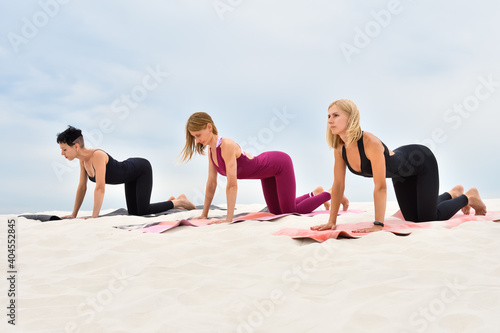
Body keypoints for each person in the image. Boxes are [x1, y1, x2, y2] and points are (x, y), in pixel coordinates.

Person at [312, 99, 487, 233]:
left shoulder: (369, 142)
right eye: (328, 116)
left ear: (350, 118)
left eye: (336, 115)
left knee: (428, 218)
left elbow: (380, 186)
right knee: (412, 218)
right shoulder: (340, 149)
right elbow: (338, 185)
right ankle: (451, 194)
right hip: (400, 175)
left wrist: (378, 225)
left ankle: (468, 197)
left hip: (421, 162)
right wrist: (331, 221)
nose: (330, 120)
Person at [179, 112, 332, 223]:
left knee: (289, 212)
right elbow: (211, 183)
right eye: (194, 137)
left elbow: (232, 185)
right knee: (276, 212)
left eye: (198, 135)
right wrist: (204, 214)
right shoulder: (211, 151)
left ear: (209, 127)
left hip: (279, 164)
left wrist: (228, 219)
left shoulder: (227, 145)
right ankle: (314, 193)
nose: (197, 140)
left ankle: (329, 193)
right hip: (266, 174)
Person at [57, 126, 195, 218]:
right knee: (134, 213)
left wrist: (94, 217)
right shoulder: (82, 161)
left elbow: (100, 188)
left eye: (64, 149)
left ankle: (179, 202)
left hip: (141, 169)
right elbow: (82, 187)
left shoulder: (97, 156)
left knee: (143, 211)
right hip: (129, 177)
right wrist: (74, 214)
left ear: (75, 146)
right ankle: (171, 201)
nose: (62, 153)